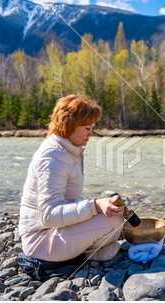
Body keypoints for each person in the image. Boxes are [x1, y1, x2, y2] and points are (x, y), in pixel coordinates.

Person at [18, 94, 125, 264]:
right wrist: (95, 206)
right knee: (115, 220)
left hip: (52, 231)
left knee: (114, 214)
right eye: (87, 128)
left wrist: (98, 206)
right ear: (70, 126)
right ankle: (91, 251)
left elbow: (68, 200)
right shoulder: (53, 156)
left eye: (92, 128)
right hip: (40, 242)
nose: (91, 134)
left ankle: (91, 247)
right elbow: (49, 215)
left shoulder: (67, 149)